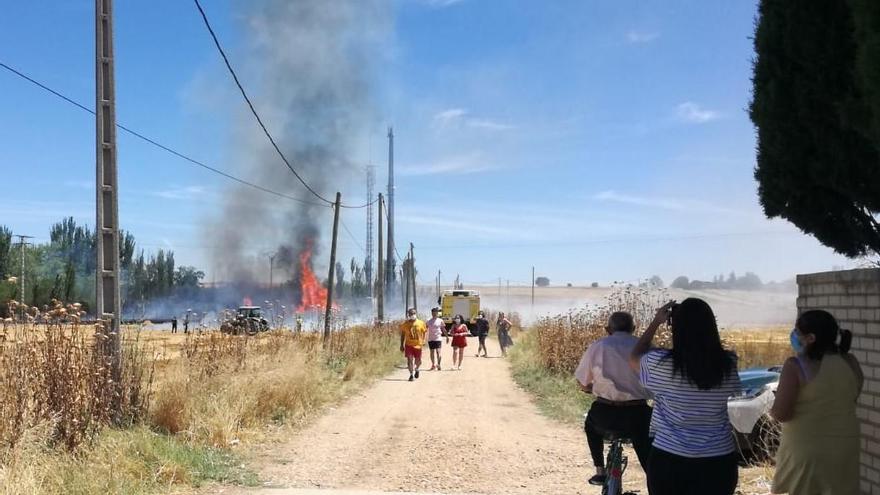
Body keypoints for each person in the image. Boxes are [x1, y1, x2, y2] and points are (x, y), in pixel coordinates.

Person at [630, 298, 742, 495]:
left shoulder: (660, 364)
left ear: (676, 328)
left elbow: (634, 358)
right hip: (719, 460)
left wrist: (656, 322)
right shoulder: (728, 364)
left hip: (669, 458)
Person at [770, 310, 862, 495]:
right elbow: (851, 397)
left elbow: (781, 414)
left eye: (797, 332)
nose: (794, 336)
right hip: (846, 447)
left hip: (807, 451)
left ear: (810, 338)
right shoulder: (850, 362)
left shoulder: (795, 365)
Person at [575, 311, 652, 486]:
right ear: (633, 328)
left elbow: (582, 381)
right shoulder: (645, 346)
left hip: (605, 414)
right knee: (646, 447)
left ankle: (600, 470)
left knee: (590, 427)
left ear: (608, 329)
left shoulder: (598, 346)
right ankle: (653, 478)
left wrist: (589, 389)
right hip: (638, 414)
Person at [399, 308, 427, 382]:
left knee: (418, 361)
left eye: (414, 313)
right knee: (409, 360)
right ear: (408, 314)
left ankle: (417, 369)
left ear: (416, 313)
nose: (412, 315)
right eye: (411, 314)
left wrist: (424, 340)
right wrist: (401, 345)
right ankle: (411, 375)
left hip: (418, 345)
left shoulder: (421, 323)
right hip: (409, 345)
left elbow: (424, 332)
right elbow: (402, 335)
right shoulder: (405, 324)